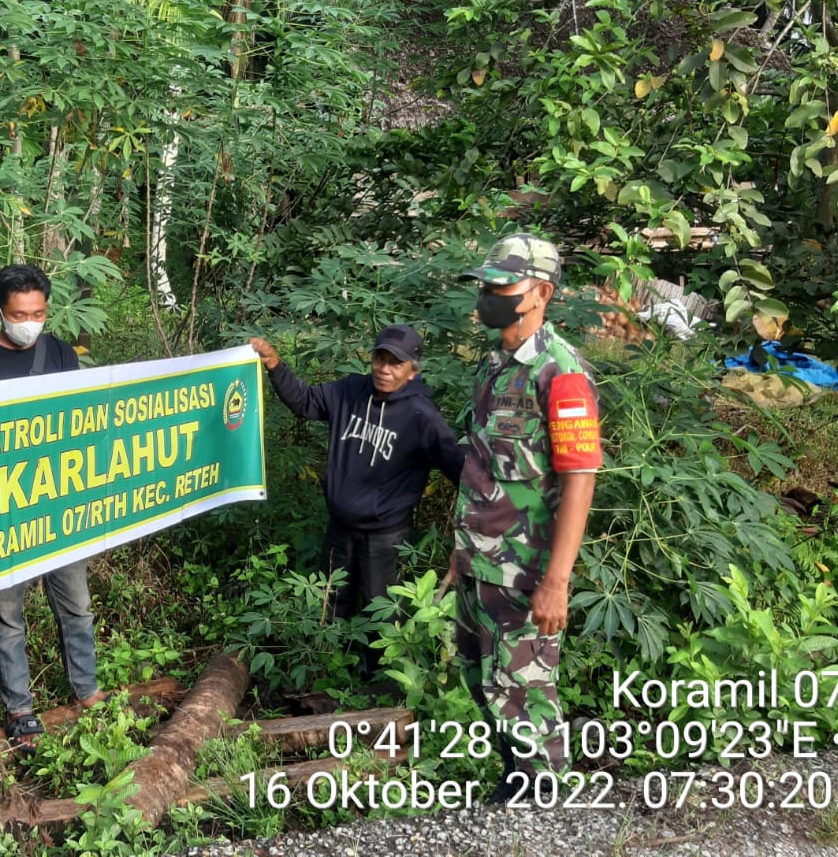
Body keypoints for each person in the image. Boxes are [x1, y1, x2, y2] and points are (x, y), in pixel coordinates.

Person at [451, 233, 602, 801]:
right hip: (481, 563)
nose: (489, 295)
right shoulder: (495, 367)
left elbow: (579, 478)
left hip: (525, 572)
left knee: (524, 690)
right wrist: (460, 551)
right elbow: (485, 466)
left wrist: (557, 582)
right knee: (483, 682)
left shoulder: (559, 373)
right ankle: (518, 780)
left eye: (502, 286)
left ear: (541, 292)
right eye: (486, 285)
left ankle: (543, 803)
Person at [0, 264, 105, 747]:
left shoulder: (60, 352)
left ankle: (87, 689)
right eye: (19, 313)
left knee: (77, 607)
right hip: (6, 510)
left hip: (60, 504)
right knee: (7, 615)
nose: (29, 322)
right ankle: (19, 708)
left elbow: (78, 419)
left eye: (38, 312)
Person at [249, 326, 464, 639]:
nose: (384, 369)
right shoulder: (350, 392)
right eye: (380, 358)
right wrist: (274, 364)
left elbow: (460, 471)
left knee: (381, 611)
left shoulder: (422, 417)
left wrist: (470, 536)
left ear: (413, 371)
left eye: (396, 363)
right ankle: (325, 668)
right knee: (330, 602)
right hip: (340, 527)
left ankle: (378, 682)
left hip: (385, 534)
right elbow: (305, 401)